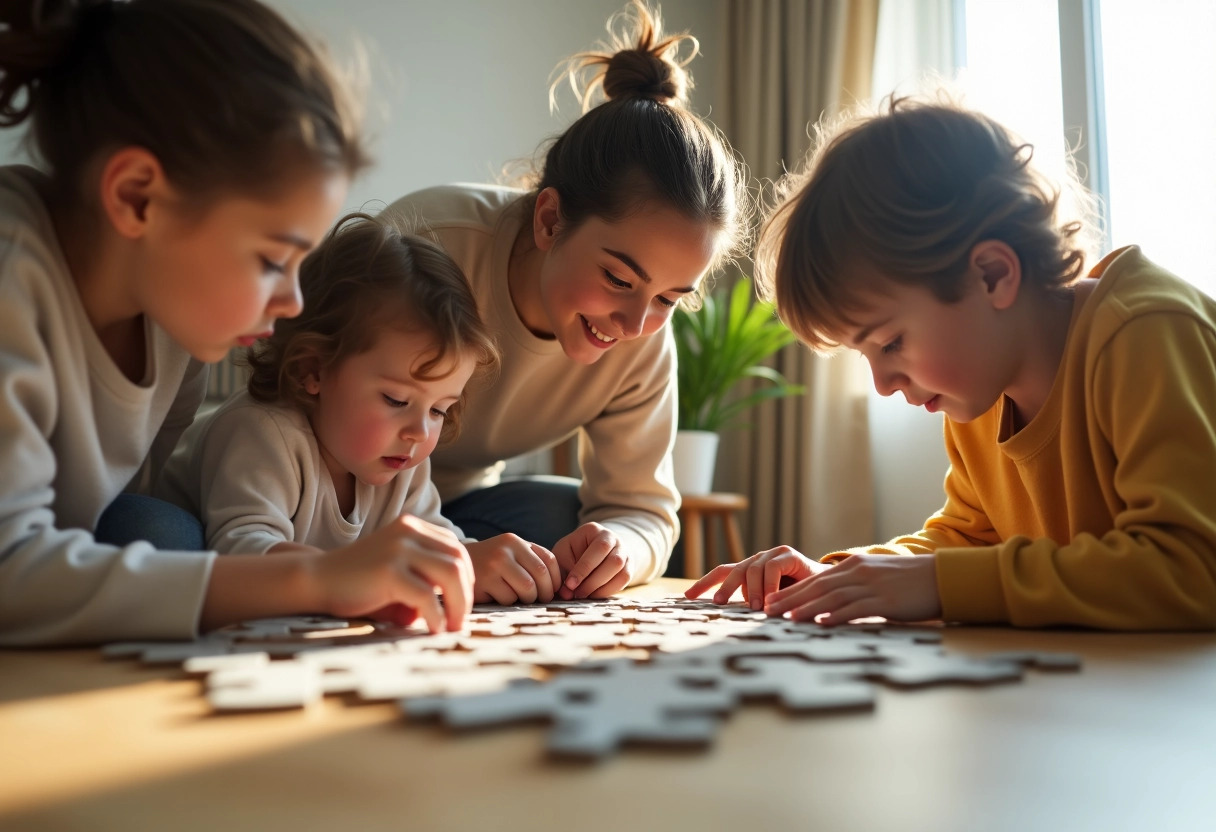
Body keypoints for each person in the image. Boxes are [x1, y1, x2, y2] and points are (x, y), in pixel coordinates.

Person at [0, 0, 472, 645]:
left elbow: (96, 525)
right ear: (138, 196)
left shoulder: (174, 330)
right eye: (273, 260)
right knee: (160, 533)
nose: (293, 303)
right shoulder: (11, 272)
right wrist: (319, 580)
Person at [688, 94, 1216, 631]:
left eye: (890, 343)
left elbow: (1194, 567)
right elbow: (967, 537)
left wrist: (940, 584)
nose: (883, 383)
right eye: (865, 354)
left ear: (991, 274)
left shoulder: (1145, 333)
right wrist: (837, 577)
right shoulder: (981, 389)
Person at [385, 0, 749, 604]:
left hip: (454, 507)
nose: (637, 324)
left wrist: (618, 550)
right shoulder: (425, 247)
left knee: (561, 515)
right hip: (325, 496)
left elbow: (645, 511)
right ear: (550, 220)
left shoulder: (643, 336)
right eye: (618, 278)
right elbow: (298, 430)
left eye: (669, 297)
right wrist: (453, 552)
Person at [157, 212, 501, 627]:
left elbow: (431, 537)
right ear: (313, 371)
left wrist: (475, 560)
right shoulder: (263, 432)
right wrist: (344, 577)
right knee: (163, 537)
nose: (419, 431)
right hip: (163, 545)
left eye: (439, 410)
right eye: (396, 399)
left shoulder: (403, 454)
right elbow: (242, 550)